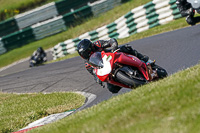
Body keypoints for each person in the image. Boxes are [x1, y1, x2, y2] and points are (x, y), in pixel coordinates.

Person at [77, 38, 149, 93]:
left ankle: (142, 58)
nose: (86, 55)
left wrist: (114, 45)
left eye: (86, 52)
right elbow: (94, 73)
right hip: (105, 68)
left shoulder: (97, 44)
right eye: (83, 54)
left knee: (125, 48)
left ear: (90, 47)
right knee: (111, 89)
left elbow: (110, 41)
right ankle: (130, 82)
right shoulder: (87, 64)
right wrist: (98, 79)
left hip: (112, 57)